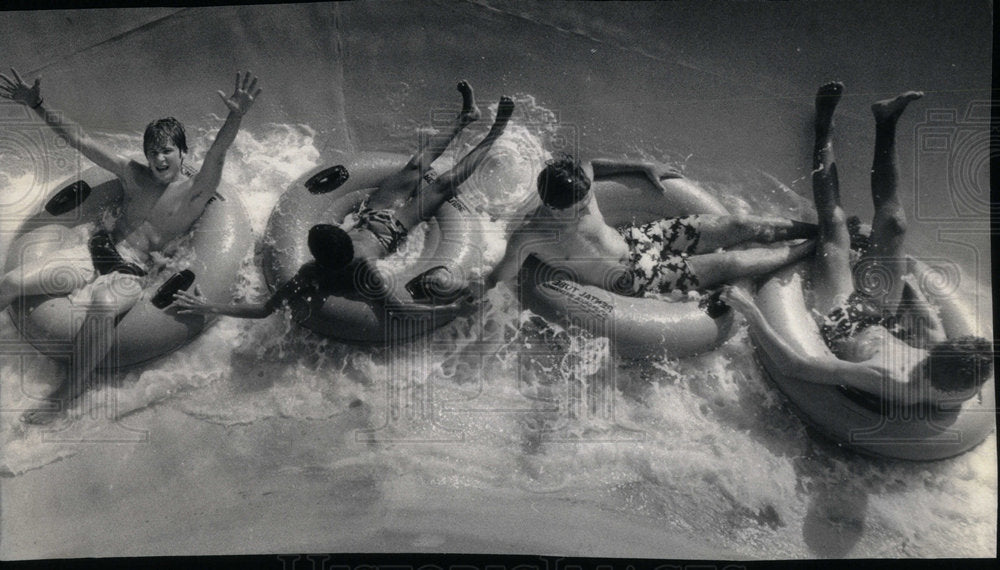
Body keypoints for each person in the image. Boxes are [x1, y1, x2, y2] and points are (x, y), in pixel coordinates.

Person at [0, 68, 262, 424]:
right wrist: (38, 105)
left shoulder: (195, 193)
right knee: (14, 281)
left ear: (183, 152)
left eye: (167, 151)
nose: (159, 160)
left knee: (104, 302)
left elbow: (218, 153)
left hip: (133, 269)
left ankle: (68, 392)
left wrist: (236, 114)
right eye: (153, 152)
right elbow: (82, 141)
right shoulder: (133, 175)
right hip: (94, 251)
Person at [721, 82, 992, 405]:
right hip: (881, 314)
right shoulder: (941, 354)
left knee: (834, 224)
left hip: (841, 319)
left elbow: (794, 365)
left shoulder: (890, 380)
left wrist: (751, 311)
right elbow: (929, 320)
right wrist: (898, 268)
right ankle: (886, 121)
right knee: (894, 225)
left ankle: (824, 129)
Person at [171, 84, 514, 320]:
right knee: (445, 182)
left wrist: (210, 307)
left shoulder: (309, 271)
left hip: (371, 215)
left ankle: (465, 118)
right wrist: (454, 310)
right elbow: (402, 311)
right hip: (391, 231)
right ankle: (493, 133)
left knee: (415, 165)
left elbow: (264, 309)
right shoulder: (364, 269)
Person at [486, 153, 817, 296]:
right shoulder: (531, 236)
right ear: (553, 208)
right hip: (633, 279)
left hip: (638, 239)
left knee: (740, 223)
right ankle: (813, 248)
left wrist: (644, 166)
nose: (589, 204)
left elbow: (589, 164)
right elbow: (497, 279)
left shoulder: (578, 184)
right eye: (580, 205)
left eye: (589, 199)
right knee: (731, 262)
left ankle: (819, 229)